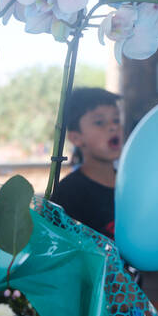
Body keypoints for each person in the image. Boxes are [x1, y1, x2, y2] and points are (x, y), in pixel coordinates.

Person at [50, 87, 122, 239]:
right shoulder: (68, 194)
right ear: (76, 138)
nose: (113, 127)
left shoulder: (133, 185)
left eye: (116, 120)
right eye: (99, 122)